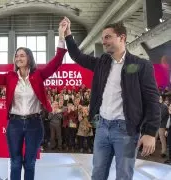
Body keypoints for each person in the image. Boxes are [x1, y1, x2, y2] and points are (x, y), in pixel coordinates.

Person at [0, 21, 68, 180]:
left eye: (22, 55)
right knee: (15, 162)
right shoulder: (10, 77)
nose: (18, 58)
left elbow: (57, 61)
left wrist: (61, 35)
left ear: (29, 58)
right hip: (14, 124)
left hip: (34, 124)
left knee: (30, 163)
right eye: (16, 55)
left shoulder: (38, 75)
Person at [62, 17, 160, 180]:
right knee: (98, 174)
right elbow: (77, 56)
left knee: (124, 175)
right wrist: (68, 35)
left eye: (108, 37)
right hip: (102, 127)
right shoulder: (102, 63)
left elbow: (152, 100)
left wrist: (150, 132)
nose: (104, 41)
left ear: (122, 37)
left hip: (127, 131)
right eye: (103, 38)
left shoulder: (141, 65)